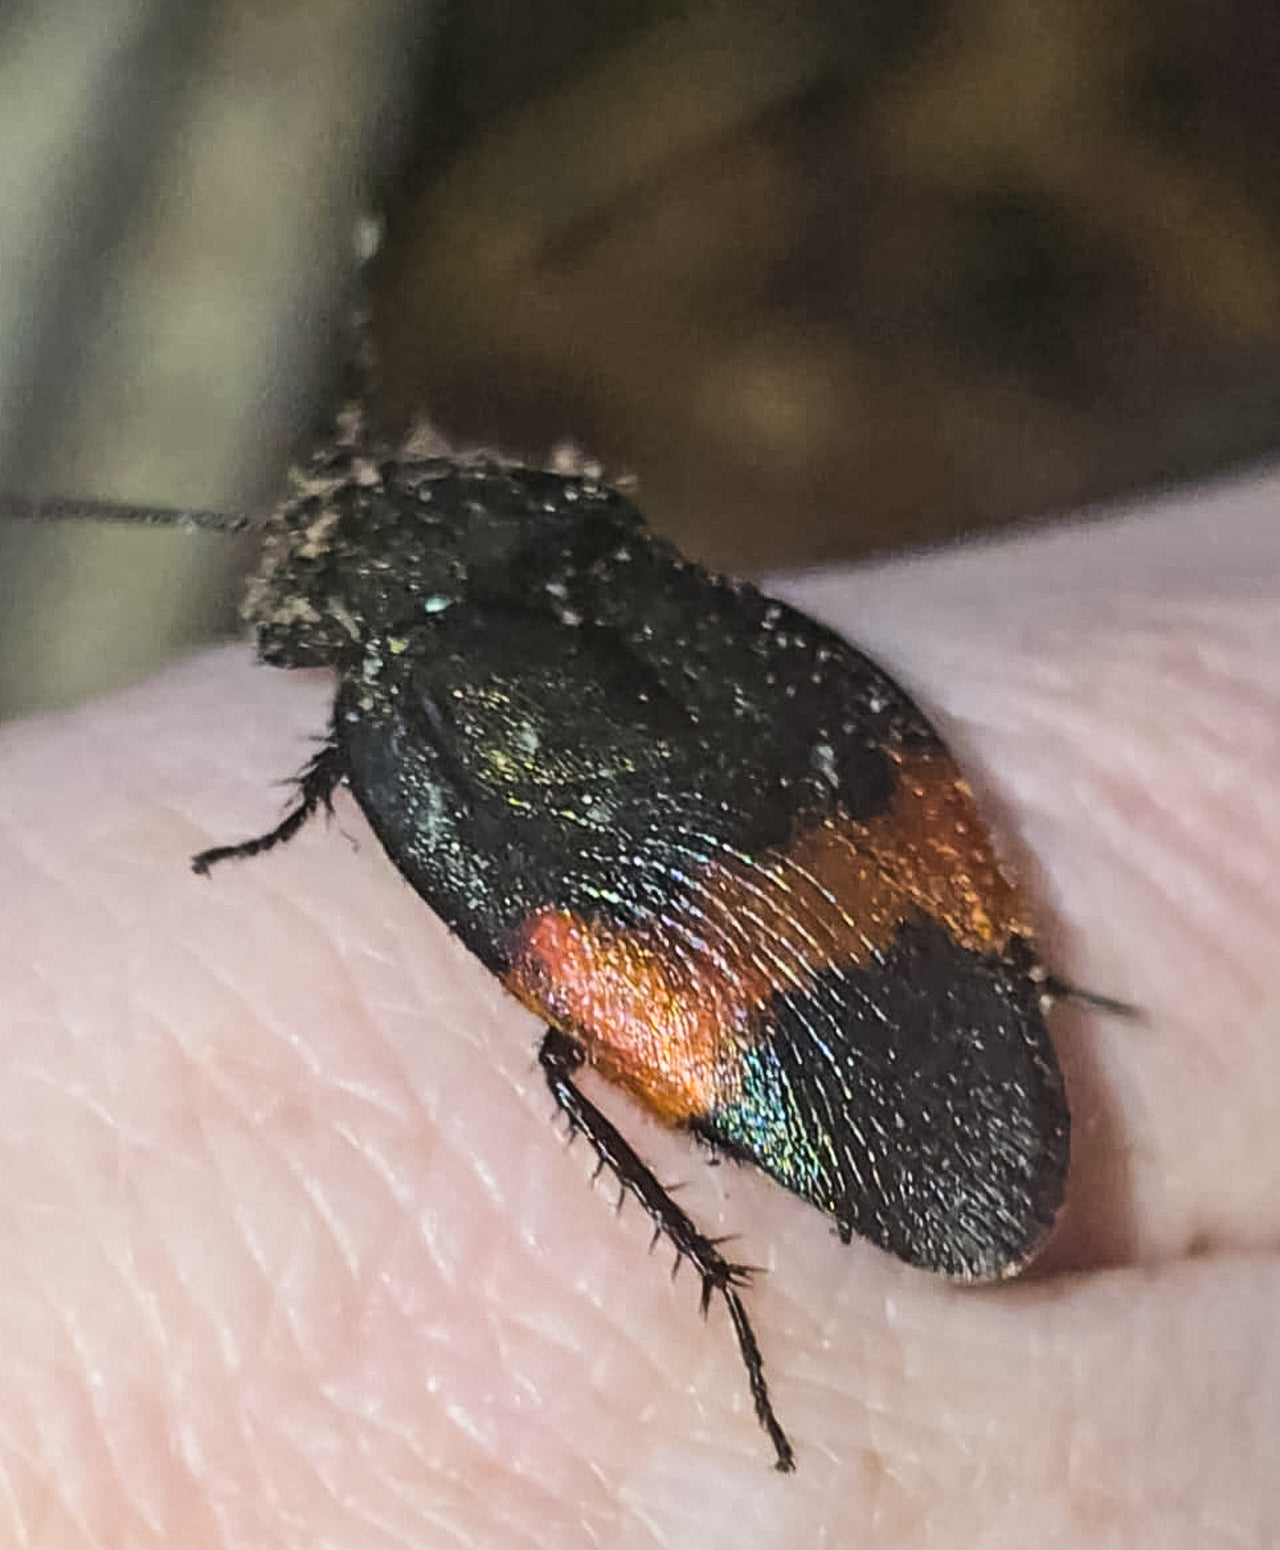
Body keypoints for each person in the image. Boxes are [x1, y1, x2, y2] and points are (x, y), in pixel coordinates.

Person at [1, 468, 1276, 1546]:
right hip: (834, 903)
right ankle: (741, 1277)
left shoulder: (401, 704)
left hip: (768, 945)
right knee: (580, 1055)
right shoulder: (569, 581)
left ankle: (726, 1289)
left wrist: (280, 822)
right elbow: (843, 705)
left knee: (569, 1066)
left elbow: (403, 807)